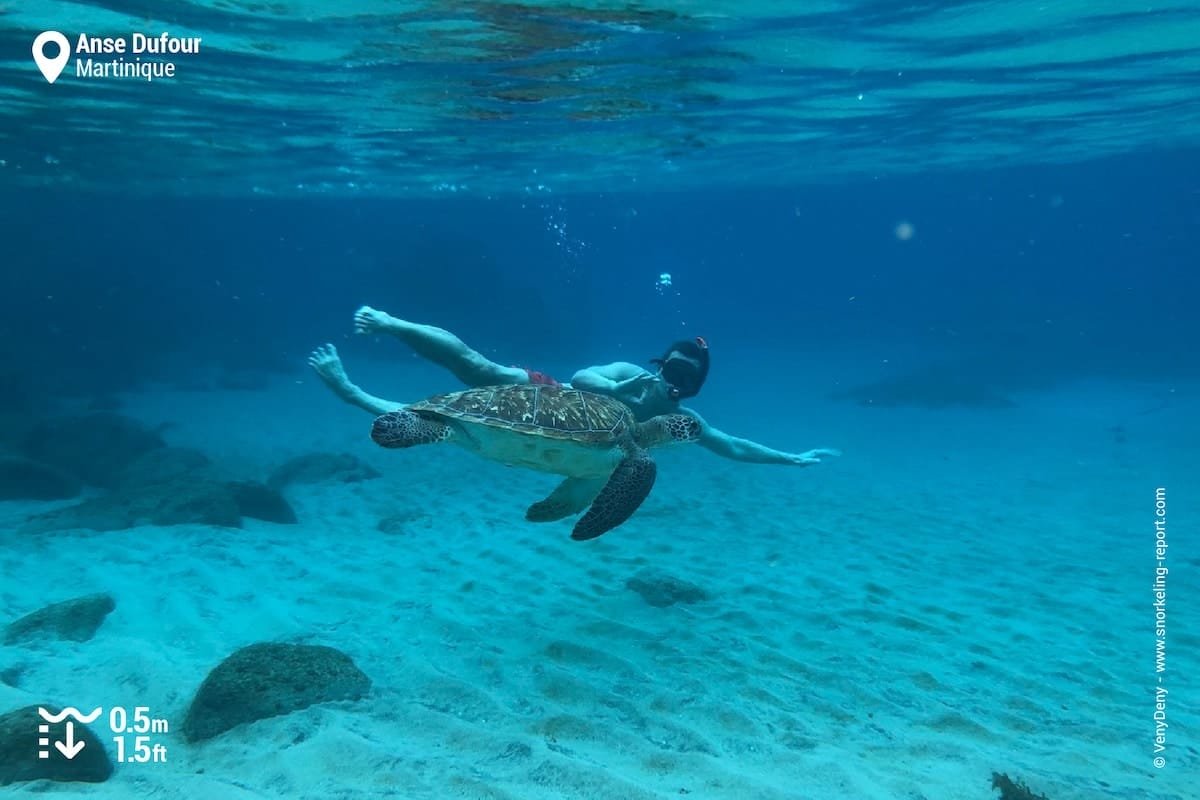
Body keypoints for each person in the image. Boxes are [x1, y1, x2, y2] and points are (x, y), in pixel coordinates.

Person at [308, 306, 839, 466]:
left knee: (445, 426)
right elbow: (585, 378)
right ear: (661, 363)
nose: (672, 381)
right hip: (553, 395)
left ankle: (349, 390)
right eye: (670, 368)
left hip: (566, 445)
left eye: (685, 378)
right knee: (477, 368)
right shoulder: (633, 372)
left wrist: (791, 458)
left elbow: (733, 446)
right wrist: (629, 384)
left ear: (694, 386)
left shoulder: (682, 421)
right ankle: (393, 324)